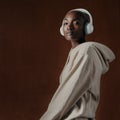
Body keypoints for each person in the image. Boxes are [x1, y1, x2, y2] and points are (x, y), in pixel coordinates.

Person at [39, 8, 115, 120]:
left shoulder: (86, 52)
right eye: (66, 23)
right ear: (61, 29)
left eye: (76, 23)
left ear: (87, 28)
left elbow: (68, 93)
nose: (69, 27)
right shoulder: (76, 52)